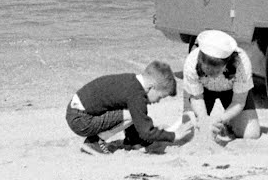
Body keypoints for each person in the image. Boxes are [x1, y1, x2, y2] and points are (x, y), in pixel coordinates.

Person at [66, 61, 195, 155]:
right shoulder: (136, 94)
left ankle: (132, 140)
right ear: (151, 87)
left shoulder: (131, 82)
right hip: (81, 120)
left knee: (133, 113)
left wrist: (136, 140)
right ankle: (94, 142)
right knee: (131, 114)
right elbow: (146, 131)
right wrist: (173, 136)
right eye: (160, 97)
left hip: (76, 113)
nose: (157, 102)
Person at [183, 29, 261, 144]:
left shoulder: (242, 62)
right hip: (203, 93)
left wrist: (220, 120)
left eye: (216, 71)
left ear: (226, 64)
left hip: (231, 92)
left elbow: (239, 101)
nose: (212, 75)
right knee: (189, 134)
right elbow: (196, 97)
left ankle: (229, 125)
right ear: (200, 60)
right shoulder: (191, 61)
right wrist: (204, 121)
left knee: (251, 134)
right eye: (207, 70)